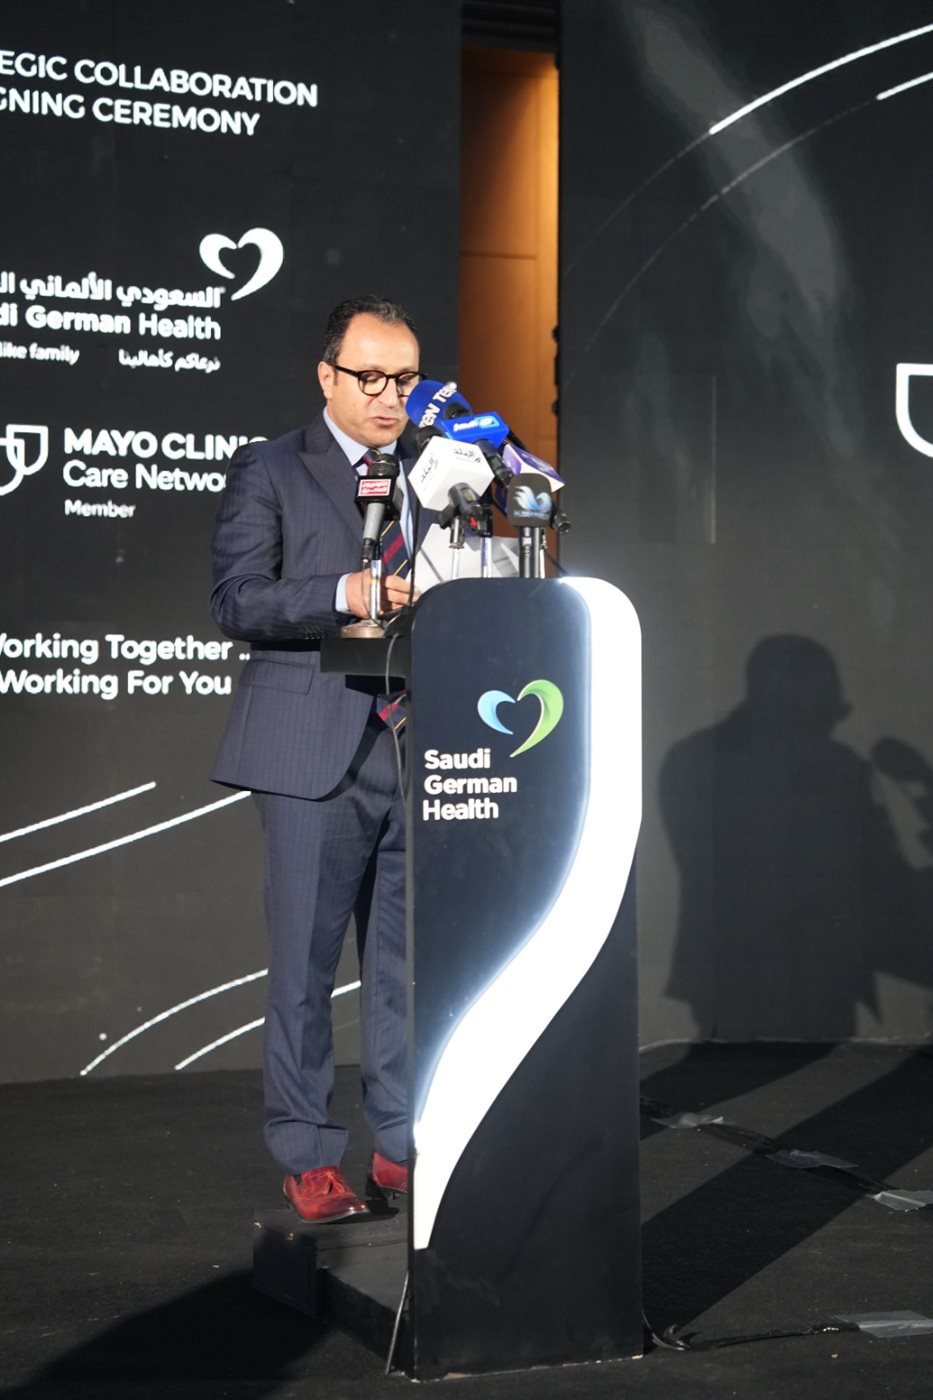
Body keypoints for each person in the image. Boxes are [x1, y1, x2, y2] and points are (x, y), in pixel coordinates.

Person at [209, 295, 426, 1222]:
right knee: (304, 967)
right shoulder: (272, 467)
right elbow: (238, 600)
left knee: (406, 969)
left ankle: (402, 1144)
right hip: (312, 749)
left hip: (422, 744)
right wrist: (346, 591)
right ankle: (306, 1153)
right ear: (327, 375)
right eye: (369, 377)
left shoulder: (437, 472)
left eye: (404, 379)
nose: (389, 397)